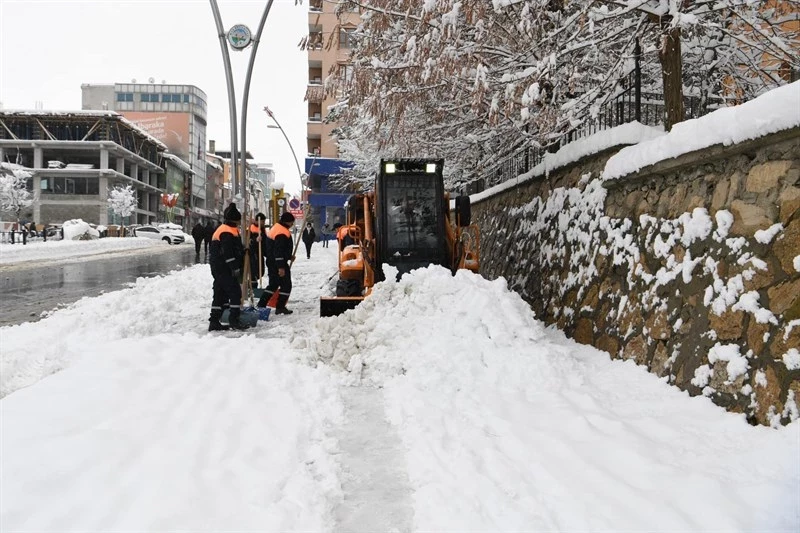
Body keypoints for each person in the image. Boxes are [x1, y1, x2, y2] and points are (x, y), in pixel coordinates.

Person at [208, 203, 249, 331]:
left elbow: (235, 249)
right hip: (223, 268)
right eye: (238, 220)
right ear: (235, 220)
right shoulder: (226, 231)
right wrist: (234, 267)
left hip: (219, 268)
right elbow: (228, 253)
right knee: (235, 292)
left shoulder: (228, 229)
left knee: (220, 294)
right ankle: (234, 320)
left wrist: (244, 251)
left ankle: (214, 321)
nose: (239, 222)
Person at [257, 211, 295, 314]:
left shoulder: (276, 228)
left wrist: (288, 256)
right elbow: (278, 251)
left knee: (273, 284)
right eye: (292, 222)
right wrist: (281, 267)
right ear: (287, 222)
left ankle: (261, 305)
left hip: (272, 261)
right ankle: (280, 306)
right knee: (286, 285)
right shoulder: (282, 232)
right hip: (277, 263)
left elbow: (276, 249)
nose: (292, 224)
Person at [248, 212, 268, 290]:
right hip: (254, 254)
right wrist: (255, 240)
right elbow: (248, 242)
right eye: (262, 221)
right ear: (257, 221)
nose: (263, 223)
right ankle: (252, 288)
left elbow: (264, 242)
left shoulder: (262, 229)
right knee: (254, 272)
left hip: (260, 253)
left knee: (260, 272)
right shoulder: (251, 229)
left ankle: (253, 285)